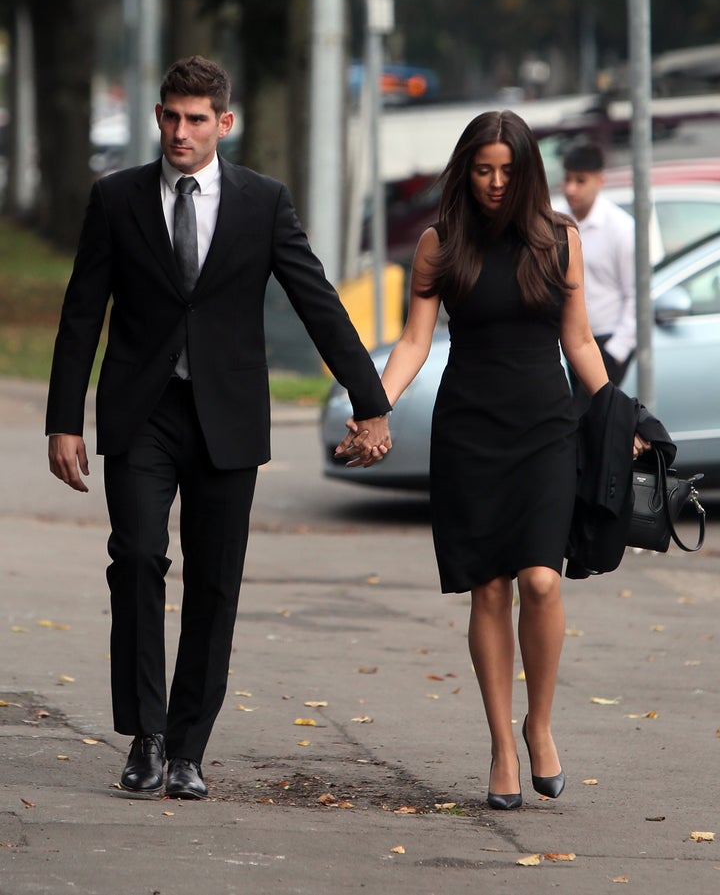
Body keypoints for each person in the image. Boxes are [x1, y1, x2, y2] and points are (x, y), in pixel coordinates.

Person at [46, 56, 392, 800]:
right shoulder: (117, 199)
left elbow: (316, 300)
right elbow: (82, 314)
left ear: (223, 124)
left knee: (214, 583)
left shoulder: (262, 203)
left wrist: (370, 398)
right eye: (170, 116)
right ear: (159, 118)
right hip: (142, 413)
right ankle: (145, 734)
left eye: (196, 119)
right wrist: (62, 420)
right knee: (137, 558)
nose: (180, 130)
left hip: (227, 419)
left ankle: (189, 747)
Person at [337, 111, 649, 809]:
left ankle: (538, 723)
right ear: (465, 171)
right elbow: (415, 343)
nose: (496, 183)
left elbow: (582, 344)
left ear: (528, 172)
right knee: (489, 588)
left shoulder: (559, 241)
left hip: (544, 427)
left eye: (508, 171)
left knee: (541, 579)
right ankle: (501, 744)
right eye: (483, 170)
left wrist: (619, 413)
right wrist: (375, 406)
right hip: (469, 431)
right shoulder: (438, 244)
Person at [561, 142, 636, 394]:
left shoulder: (621, 227)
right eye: (568, 179)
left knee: (600, 424)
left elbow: (637, 293)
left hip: (603, 341)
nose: (571, 188)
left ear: (600, 181)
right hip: (563, 341)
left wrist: (617, 351)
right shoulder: (555, 220)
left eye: (580, 181)